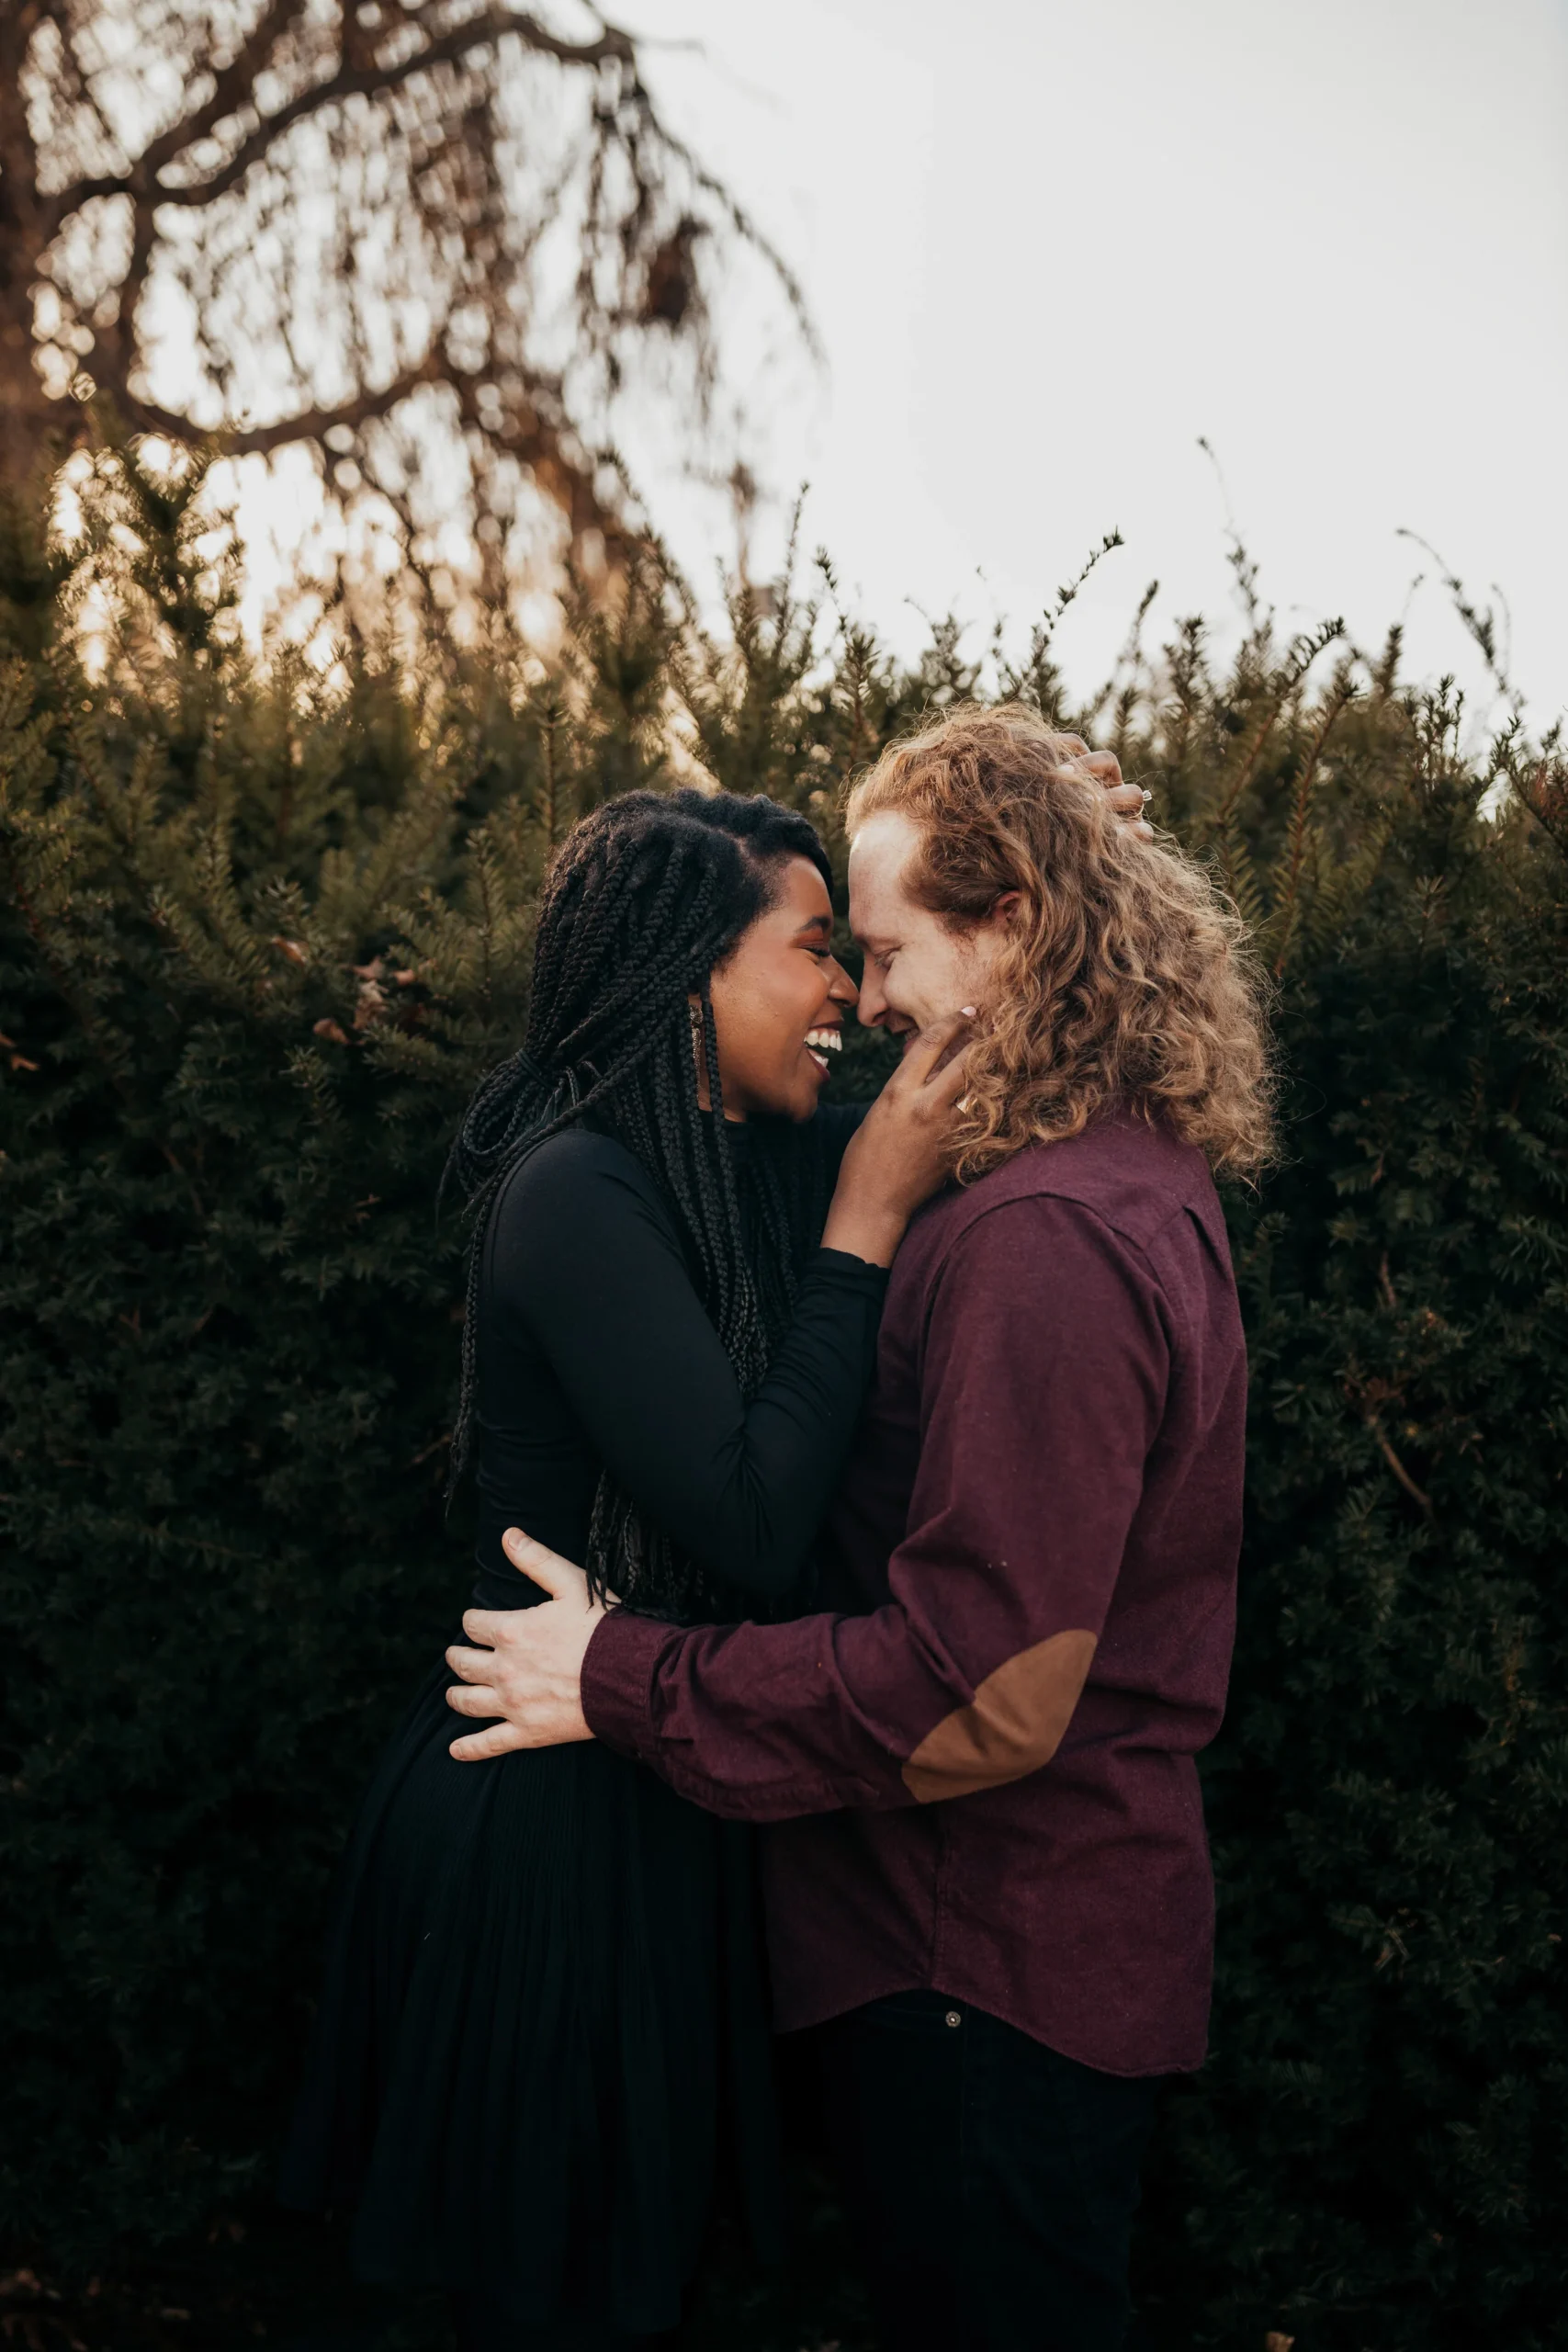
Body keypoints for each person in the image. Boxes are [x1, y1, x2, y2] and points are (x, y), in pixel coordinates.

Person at [443, 706, 1276, 2352]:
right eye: (839, 953)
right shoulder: (1091, 1168)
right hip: (978, 1952)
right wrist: (1071, 854)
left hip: (984, 1965)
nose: (869, 999)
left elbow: (982, 1695)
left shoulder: (1044, 1241)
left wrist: (623, 1677)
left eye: (885, 951)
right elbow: (748, 1139)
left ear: (1015, 925)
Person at [279, 785, 976, 2350]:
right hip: (545, 1834)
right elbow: (747, 1516)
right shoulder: (577, 1191)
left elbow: (974, 1078)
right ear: (690, 973)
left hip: (668, 1790)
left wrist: (1061, 877)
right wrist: (863, 1231)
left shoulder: (755, 1157)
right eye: (813, 948)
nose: (847, 996)